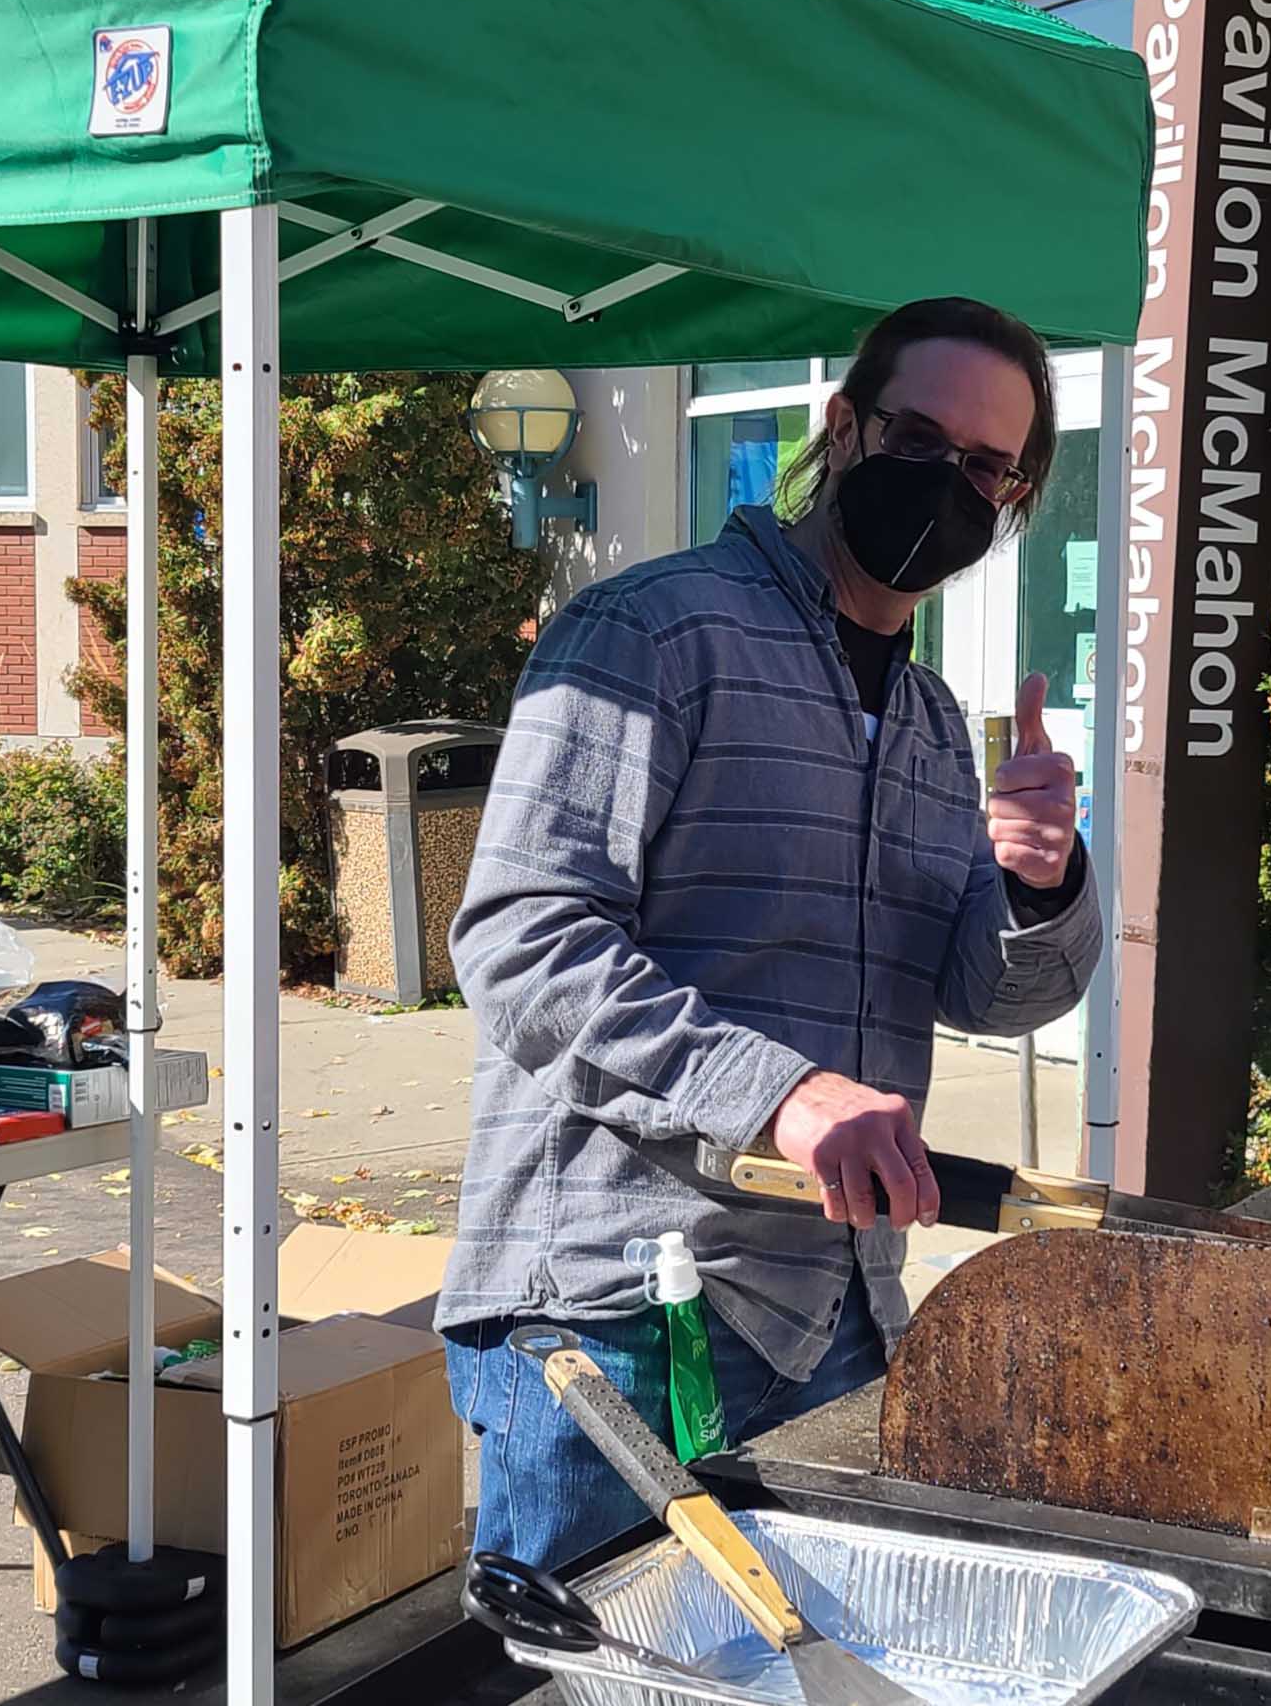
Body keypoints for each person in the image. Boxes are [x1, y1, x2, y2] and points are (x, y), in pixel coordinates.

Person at [438, 298, 1098, 1569]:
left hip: (834, 1310)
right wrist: (781, 1096)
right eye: (920, 436)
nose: (947, 483)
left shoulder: (922, 718)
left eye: (984, 467)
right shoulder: (653, 633)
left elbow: (985, 991)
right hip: (618, 1307)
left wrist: (1038, 882)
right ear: (842, 427)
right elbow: (523, 941)